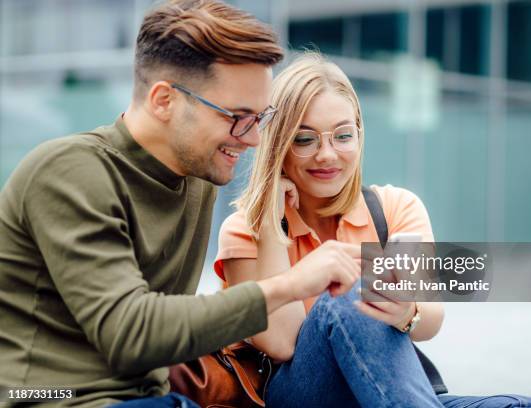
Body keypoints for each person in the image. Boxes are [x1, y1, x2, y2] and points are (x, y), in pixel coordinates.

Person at [0, 3, 361, 407]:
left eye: (261, 118)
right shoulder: (68, 172)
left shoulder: (198, 181)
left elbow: (434, 300)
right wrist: (291, 281)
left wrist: (408, 313)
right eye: (237, 117)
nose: (254, 140)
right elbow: (132, 334)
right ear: (164, 100)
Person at [215, 52, 531, 408]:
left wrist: (406, 313)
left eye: (342, 136)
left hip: (386, 392)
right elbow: (282, 343)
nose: (327, 155)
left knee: (522, 407)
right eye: (304, 140)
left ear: (359, 136)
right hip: (302, 396)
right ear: (278, 146)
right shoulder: (245, 230)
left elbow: (429, 318)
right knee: (349, 294)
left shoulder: (393, 209)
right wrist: (270, 223)